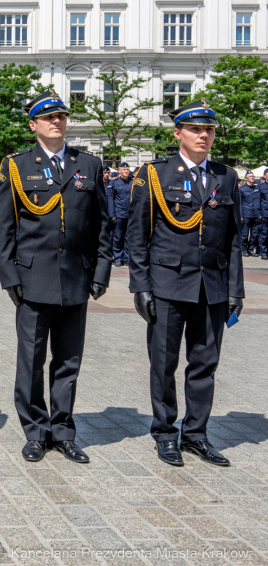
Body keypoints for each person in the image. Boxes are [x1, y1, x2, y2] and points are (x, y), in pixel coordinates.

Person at [0, 89, 112, 464]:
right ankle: (35, 431)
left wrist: (102, 270)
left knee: (68, 362)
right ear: (34, 125)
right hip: (33, 278)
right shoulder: (16, 166)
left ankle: (62, 432)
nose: (56, 121)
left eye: (60, 116)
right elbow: (5, 227)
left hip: (76, 277)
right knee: (30, 361)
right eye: (48, 117)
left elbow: (102, 224)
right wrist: (9, 276)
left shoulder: (88, 164)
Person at [128, 100, 243, 468]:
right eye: (195, 129)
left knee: (204, 364)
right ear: (178, 132)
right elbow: (137, 236)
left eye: (209, 129)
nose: (203, 135)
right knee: (164, 364)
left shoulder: (226, 177)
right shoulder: (155, 174)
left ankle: (195, 435)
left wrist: (235, 290)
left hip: (212, 286)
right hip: (167, 284)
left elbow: (233, 239)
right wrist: (141, 286)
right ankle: (165, 433)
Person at [109, 161, 133, 266]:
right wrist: (111, 215)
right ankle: (118, 257)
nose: (126, 171)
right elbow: (110, 200)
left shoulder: (133, 182)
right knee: (118, 236)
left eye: (127, 169)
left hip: (130, 214)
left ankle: (126, 257)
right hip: (118, 214)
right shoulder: (114, 183)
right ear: (119, 171)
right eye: (124, 169)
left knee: (128, 237)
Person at [239, 171, 260, 257]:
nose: (252, 177)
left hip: (256, 214)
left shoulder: (257, 188)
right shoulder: (242, 189)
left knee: (254, 234)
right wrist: (241, 215)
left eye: (253, 176)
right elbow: (240, 203)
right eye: (250, 176)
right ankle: (244, 249)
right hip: (246, 214)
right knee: (245, 234)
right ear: (246, 179)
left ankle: (251, 249)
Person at [259, 168, 268, 260]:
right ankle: (264, 252)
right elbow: (257, 201)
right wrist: (259, 214)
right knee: (264, 233)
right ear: (264, 176)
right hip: (265, 213)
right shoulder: (260, 187)